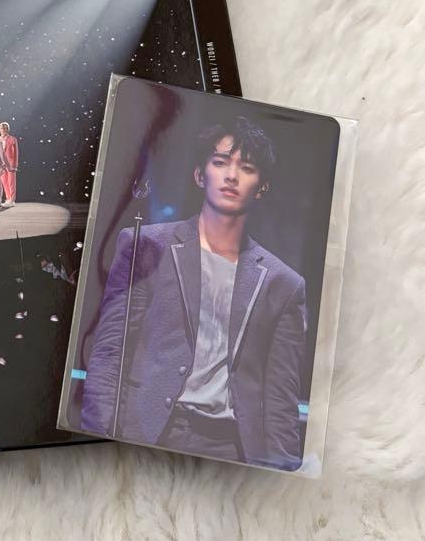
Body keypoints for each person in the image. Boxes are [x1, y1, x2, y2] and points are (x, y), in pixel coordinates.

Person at [80, 116, 306, 470]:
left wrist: (280, 476)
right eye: (220, 162)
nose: (232, 176)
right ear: (200, 175)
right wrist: (97, 441)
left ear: (261, 187)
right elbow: (110, 353)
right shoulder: (146, 245)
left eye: (247, 168)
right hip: (148, 430)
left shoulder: (284, 283)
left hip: (232, 447)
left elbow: (281, 400)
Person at [0, 122, 19, 205]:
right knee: (4, 182)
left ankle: (12, 200)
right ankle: (8, 198)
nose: (4, 129)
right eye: (2, 128)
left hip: (11, 163)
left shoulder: (13, 139)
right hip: (1, 164)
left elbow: (16, 153)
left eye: (5, 128)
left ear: (8, 129)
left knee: (11, 182)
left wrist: (15, 164)